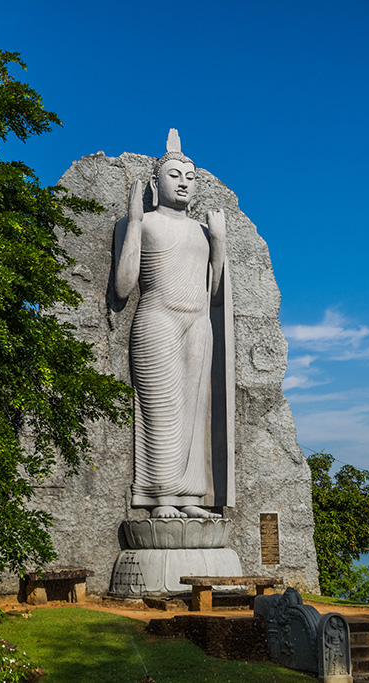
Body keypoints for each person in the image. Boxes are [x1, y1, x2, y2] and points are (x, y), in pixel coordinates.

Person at [113, 130, 234, 519]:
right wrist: (132, 221)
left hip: (198, 322)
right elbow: (122, 285)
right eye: (175, 175)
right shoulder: (144, 222)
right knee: (161, 409)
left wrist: (218, 243)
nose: (183, 182)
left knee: (194, 412)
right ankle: (161, 496)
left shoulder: (202, 230)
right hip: (158, 319)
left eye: (190, 177)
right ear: (154, 183)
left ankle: (190, 497)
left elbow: (214, 292)